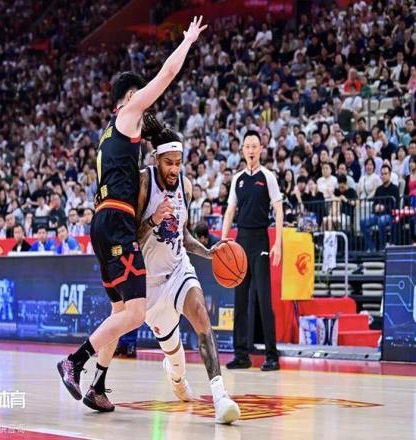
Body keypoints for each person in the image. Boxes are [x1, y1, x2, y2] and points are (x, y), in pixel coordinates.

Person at [57, 17, 208, 407]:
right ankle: (75, 362)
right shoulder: (127, 114)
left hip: (103, 220)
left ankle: (98, 386)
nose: (145, 105)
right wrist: (188, 41)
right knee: (137, 313)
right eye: (139, 97)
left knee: (120, 311)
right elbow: (167, 74)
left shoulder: (109, 134)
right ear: (128, 98)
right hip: (118, 220)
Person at [86, 128, 240, 423]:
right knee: (175, 355)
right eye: (168, 162)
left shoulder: (186, 186)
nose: (174, 169)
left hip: (179, 269)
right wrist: (154, 219)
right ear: (156, 159)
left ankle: (220, 397)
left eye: (178, 163)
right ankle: (176, 375)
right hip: (150, 286)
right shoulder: (143, 183)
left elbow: (183, 233)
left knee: (201, 315)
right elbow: (129, 236)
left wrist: (208, 252)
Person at [222, 130, 283, 371]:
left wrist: (278, 243)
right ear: (242, 150)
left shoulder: (268, 177)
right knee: (240, 300)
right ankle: (241, 355)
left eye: (254, 146)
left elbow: (278, 210)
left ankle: (272, 356)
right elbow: (230, 211)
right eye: (247, 146)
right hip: (241, 241)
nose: (250, 150)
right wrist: (224, 240)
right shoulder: (237, 179)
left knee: (263, 299)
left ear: (261, 149)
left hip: (260, 240)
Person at [361, 165, 400, 252]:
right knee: (363, 221)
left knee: (381, 221)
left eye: (385, 174)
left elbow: (396, 206)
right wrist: (375, 207)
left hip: (390, 215)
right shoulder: (379, 189)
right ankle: (372, 247)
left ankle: (383, 247)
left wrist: (384, 208)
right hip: (377, 215)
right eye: (382, 174)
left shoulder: (395, 189)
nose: (383, 176)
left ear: (390, 175)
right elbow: (374, 204)